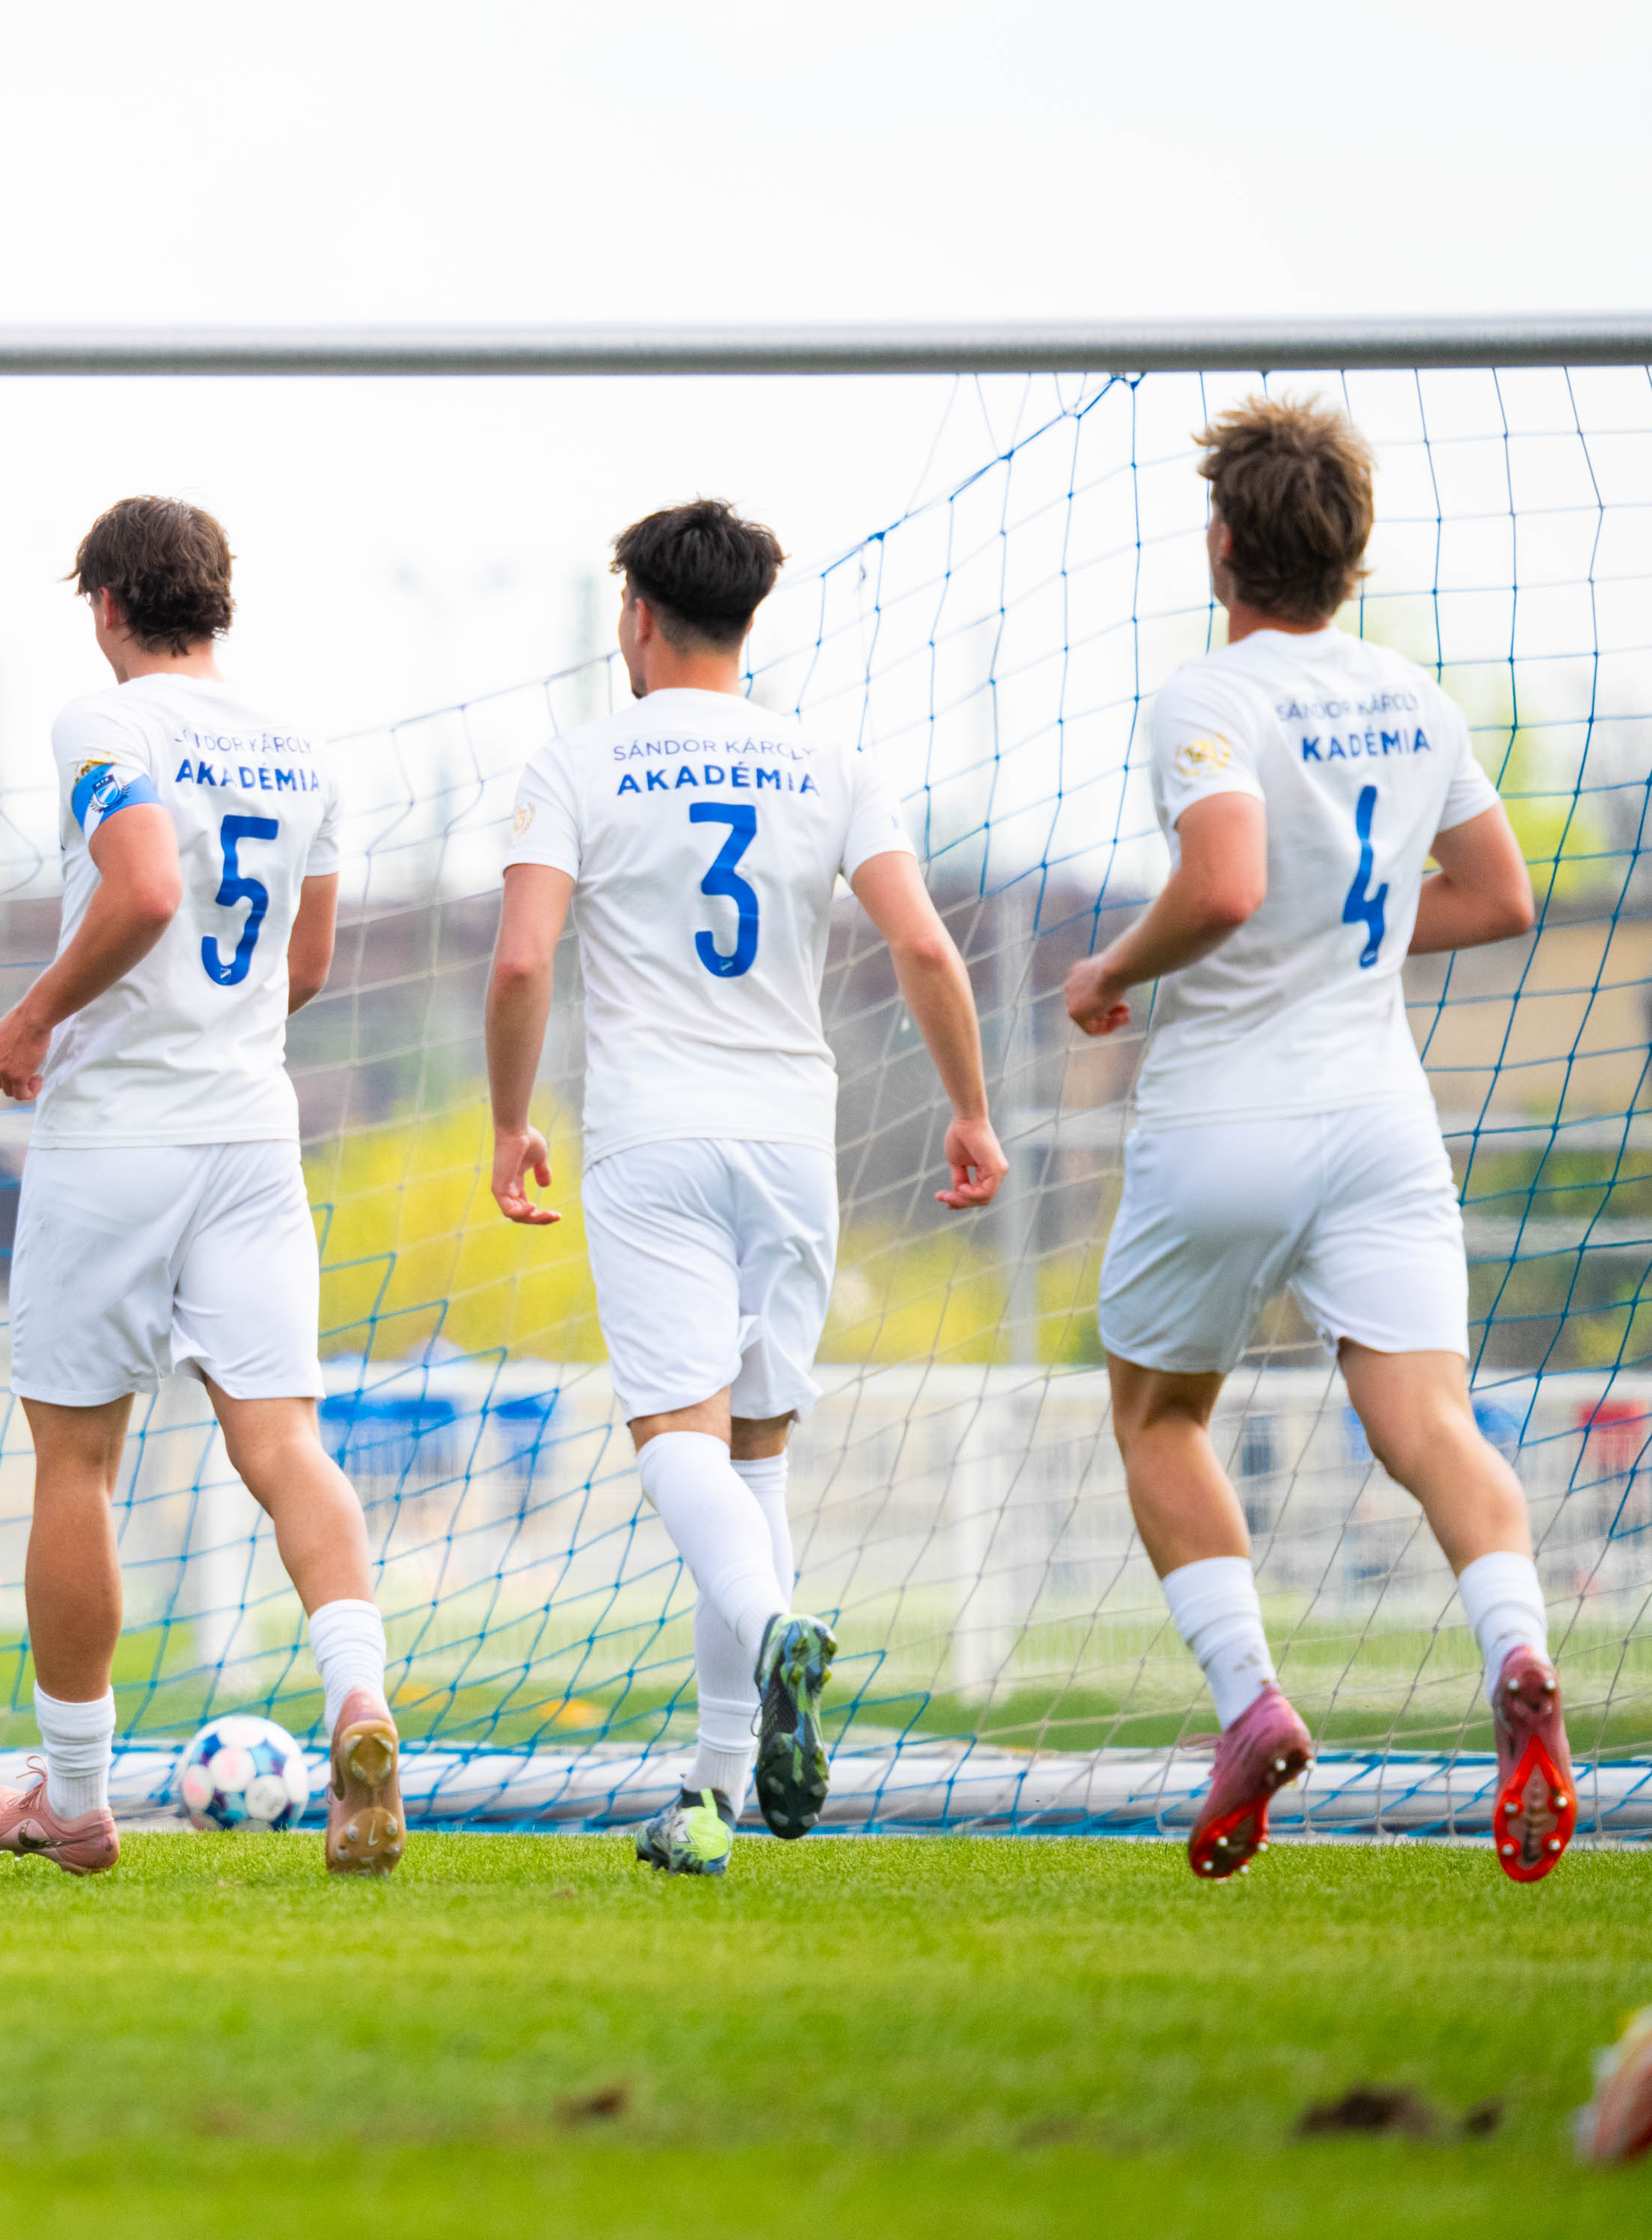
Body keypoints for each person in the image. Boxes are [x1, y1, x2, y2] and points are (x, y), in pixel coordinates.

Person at [1062, 396, 1571, 1882]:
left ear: (1223, 545)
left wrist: (1111, 973)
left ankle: (1248, 1701)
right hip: (1378, 1119)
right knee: (1430, 1425)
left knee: (1160, 1419)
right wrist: (1339, 946)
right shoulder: (1417, 699)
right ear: (1350, 557)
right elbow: (1502, 896)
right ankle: (1521, 1653)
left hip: (1228, 1112)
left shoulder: (1205, 697)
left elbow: (1221, 884)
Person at [484, 500, 1003, 1879]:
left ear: (639, 618)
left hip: (656, 1138)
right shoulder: (829, 763)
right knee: (756, 1450)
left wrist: (505, 1121)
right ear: (746, 617)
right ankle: (715, 1794)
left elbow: (523, 962)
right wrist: (968, 1109)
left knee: (676, 1442)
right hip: (791, 1137)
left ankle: (775, 1637)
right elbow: (927, 950)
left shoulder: (576, 761)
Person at [0, 497, 397, 1879]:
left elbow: (147, 890)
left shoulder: (111, 727)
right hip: (251, 1129)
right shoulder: (300, 752)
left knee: (76, 1462)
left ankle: (77, 1805)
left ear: (104, 607)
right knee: (284, 1444)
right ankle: (359, 1697)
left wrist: (34, 1021)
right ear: (221, 603)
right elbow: (306, 967)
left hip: (118, 1138)